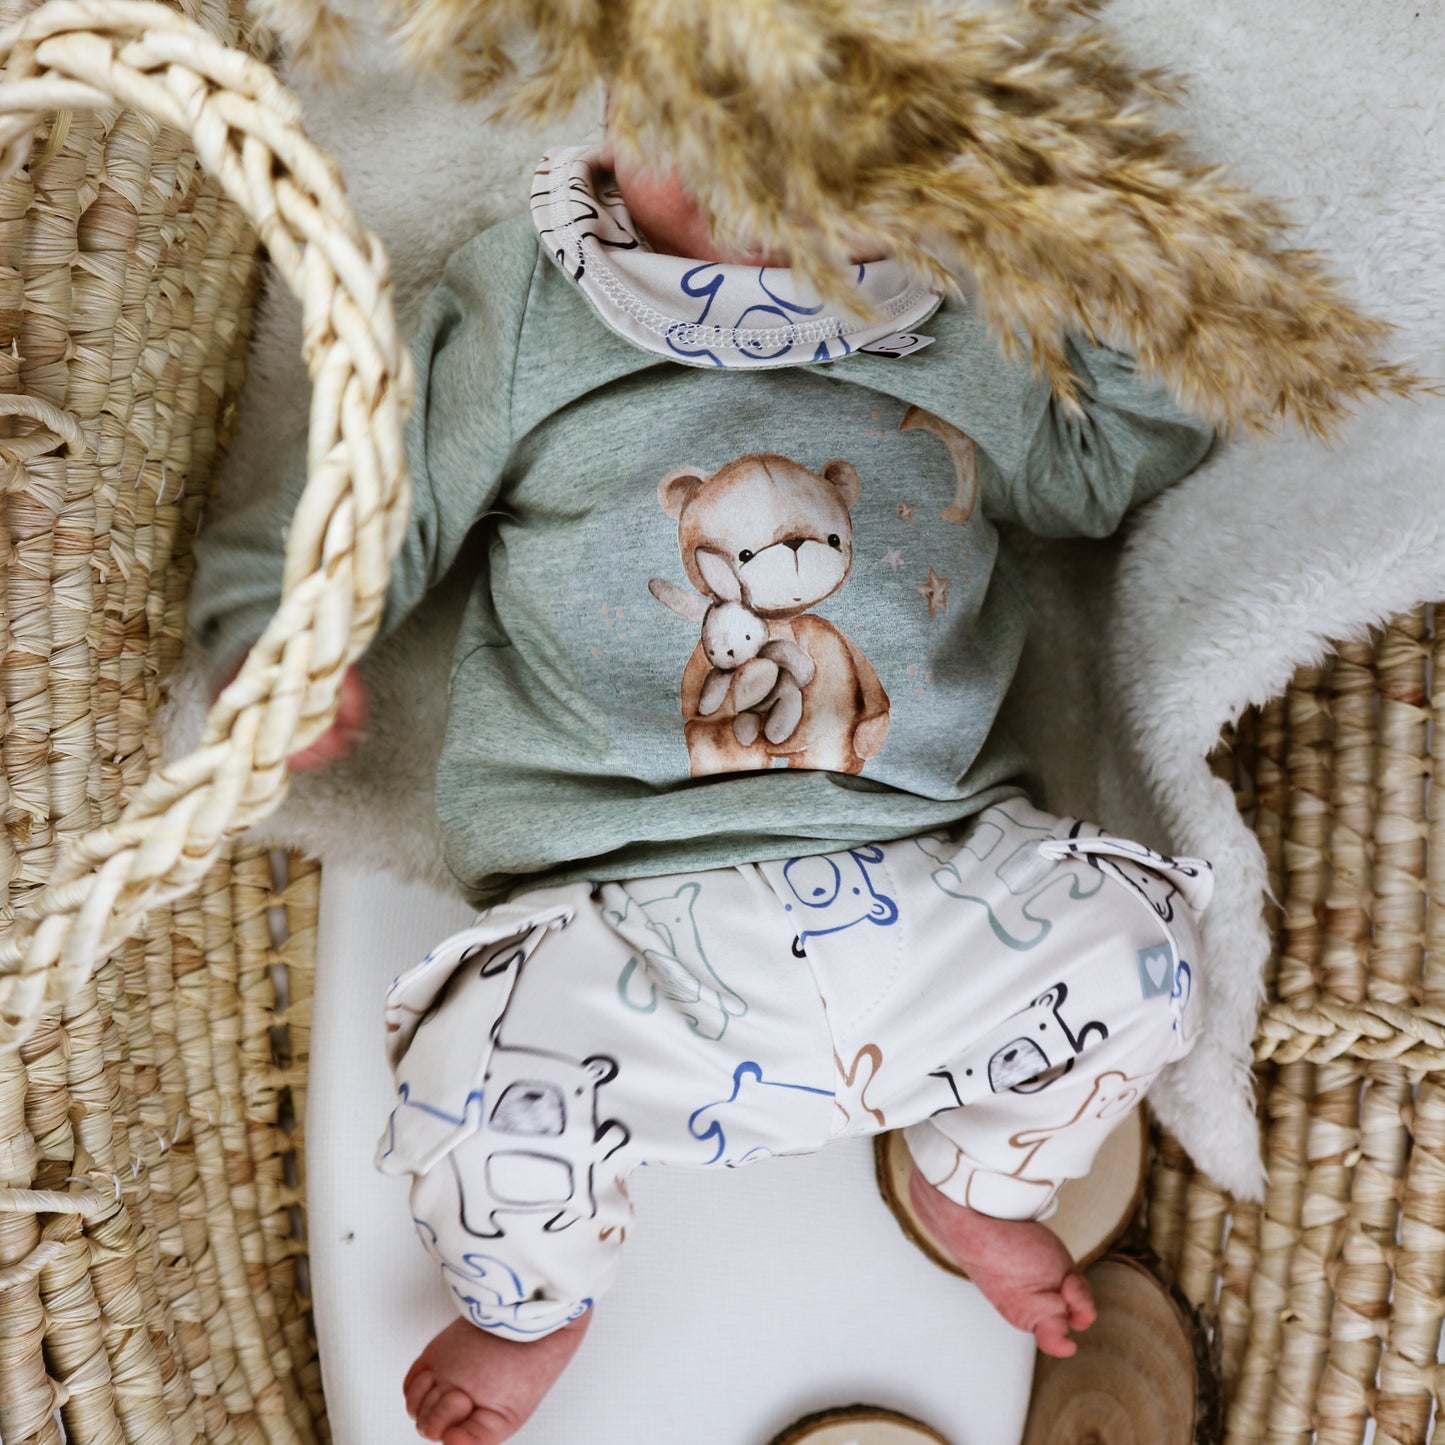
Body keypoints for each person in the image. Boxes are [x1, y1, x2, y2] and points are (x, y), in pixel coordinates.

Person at [189, 134, 1216, 1444]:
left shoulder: (960, 307)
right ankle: (532, 1300)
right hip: (618, 914)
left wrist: (1108, 261)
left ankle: (973, 1177)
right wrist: (285, 627)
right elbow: (376, 476)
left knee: (1144, 947)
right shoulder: (533, 308)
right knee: (471, 1064)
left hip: (933, 888)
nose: (760, 197)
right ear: (612, 108)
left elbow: (1101, 467)